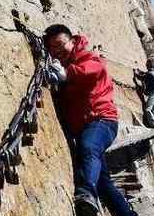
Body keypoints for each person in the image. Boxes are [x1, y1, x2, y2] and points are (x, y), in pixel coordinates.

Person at [43, 24, 137, 216]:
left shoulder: (88, 57)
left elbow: (92, 70)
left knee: (89, 147)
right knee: (104, 185)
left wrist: (66, 74)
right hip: (84, 127)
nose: (58, 50)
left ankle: (85, 194)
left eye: (61, 44)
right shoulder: (63, 65)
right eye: (53, 47)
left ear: (72, 41)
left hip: (102, 120)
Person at [134, 60, 154, 128]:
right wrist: (140, 71)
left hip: (153, 93)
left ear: (149, 65)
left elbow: (141, 78)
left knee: (148, 109)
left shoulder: (149, 73)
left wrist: (135, 73)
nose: (146, 65)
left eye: (147, 64)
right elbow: (146, 74)